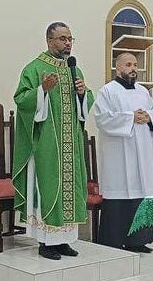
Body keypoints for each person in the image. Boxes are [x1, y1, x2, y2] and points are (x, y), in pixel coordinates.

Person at [13, 22, 94, 260]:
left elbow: (86, 103)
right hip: (47, 144)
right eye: (62, 39)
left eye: (70, 38)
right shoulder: (35, 68)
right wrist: (42, 91)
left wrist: (83, 94)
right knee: (48, 189)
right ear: (50, 41)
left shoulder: (74, 70)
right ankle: (46, 242)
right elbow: (21, 99)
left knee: (71, 189)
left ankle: (64, 241)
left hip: (72, 144)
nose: (68, 43)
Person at [93, 53, 153, 253]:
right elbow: (102, 119)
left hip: (142, 153)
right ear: (118, 68)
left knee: (140, 193)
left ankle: (138, 241)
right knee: (120, 193)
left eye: (135, 65)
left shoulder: (143, 92)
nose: (133, 68)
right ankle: (114, 241)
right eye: (128, 65)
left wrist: (148, 117)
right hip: (118, 155)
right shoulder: (107, 91)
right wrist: (130, 117)